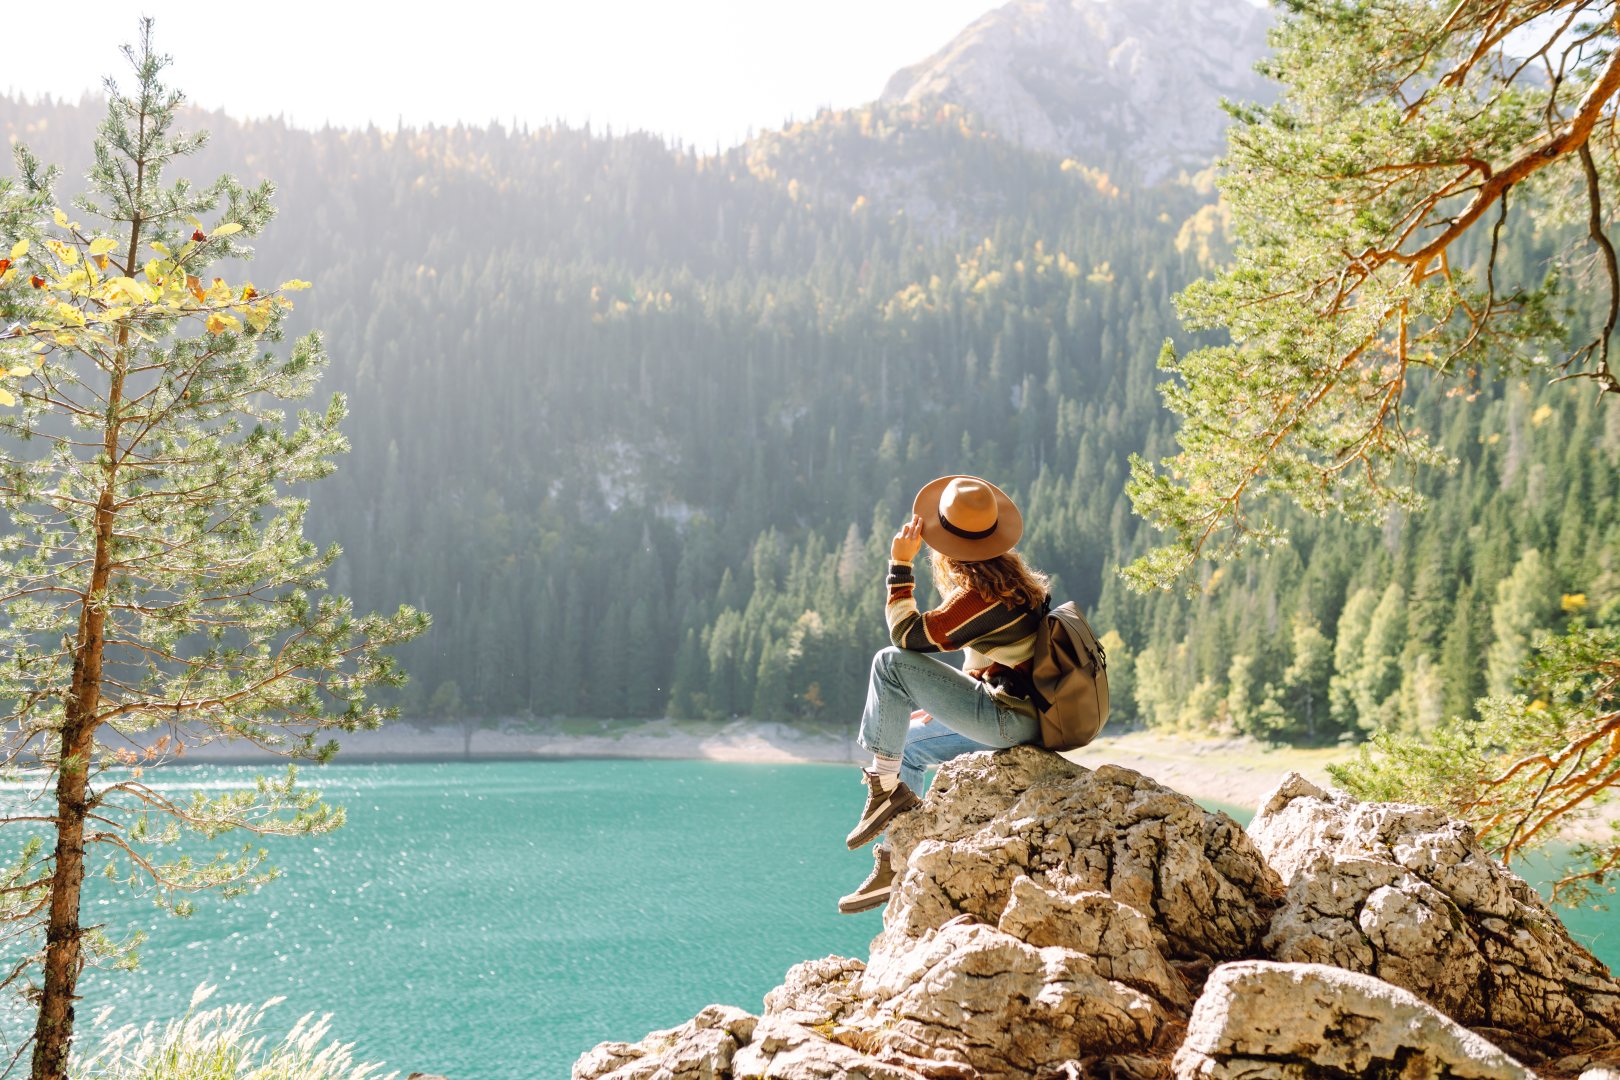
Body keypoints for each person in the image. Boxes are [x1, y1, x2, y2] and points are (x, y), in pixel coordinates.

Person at [838, 474, 1049, 914]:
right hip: (1025, 714)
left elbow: (906, 637)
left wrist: (900, 566)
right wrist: (945, 707)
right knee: (909, 745)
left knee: (888, 663)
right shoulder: (1012, 583)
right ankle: (894, 862)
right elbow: (999, 659)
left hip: (1009, 721)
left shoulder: (980, 597)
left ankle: (884, 790)